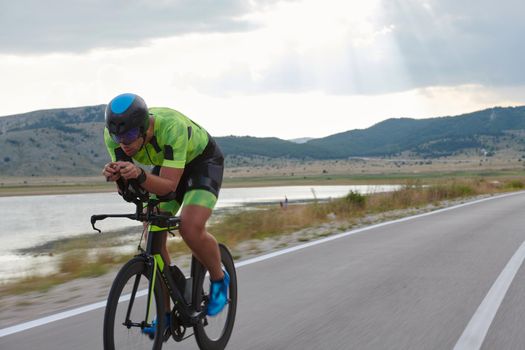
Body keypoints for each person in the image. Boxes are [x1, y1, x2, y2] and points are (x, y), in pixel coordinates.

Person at [101, 93, 229, 332]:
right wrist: (117, 177)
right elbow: (130, 188)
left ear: (143, 128)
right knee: (153, 236)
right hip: (169, 165)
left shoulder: (172, 127)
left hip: (201, 163)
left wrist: (139, 174)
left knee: (189, 227)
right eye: (117, 136)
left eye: (128, 136)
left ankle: (219, 279)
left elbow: (169, 187)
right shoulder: (115, 138)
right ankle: (167, 314)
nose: (123, 143)